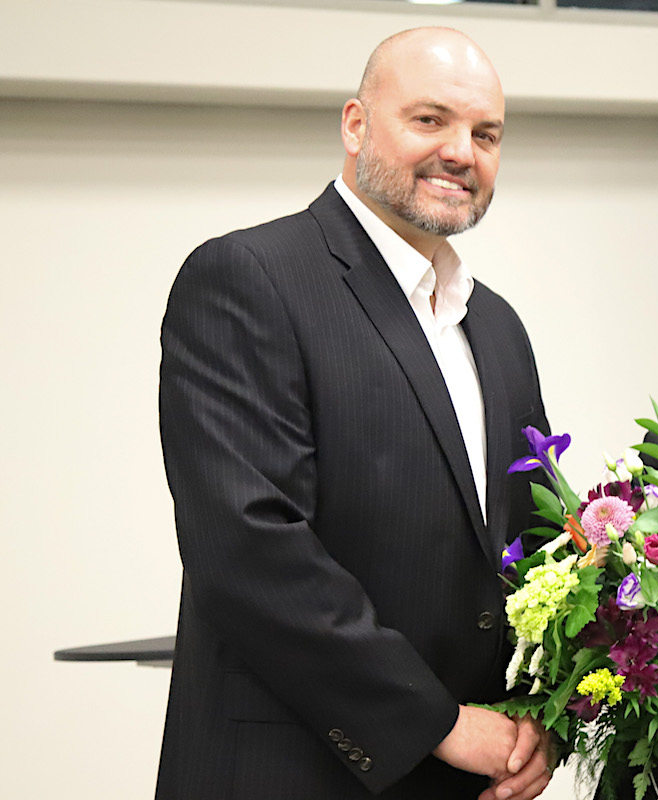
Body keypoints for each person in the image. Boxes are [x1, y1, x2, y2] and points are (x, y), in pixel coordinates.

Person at [156, 28, 554, 800]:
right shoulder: (249, 278)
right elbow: (249, 549)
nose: (460, 152)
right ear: (355, 124)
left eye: (486, 134)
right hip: (293, 774)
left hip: (475, 777)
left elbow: (536, 543)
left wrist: (543, 712)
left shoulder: (497, 326)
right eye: (430, 119)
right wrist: (436, 724)